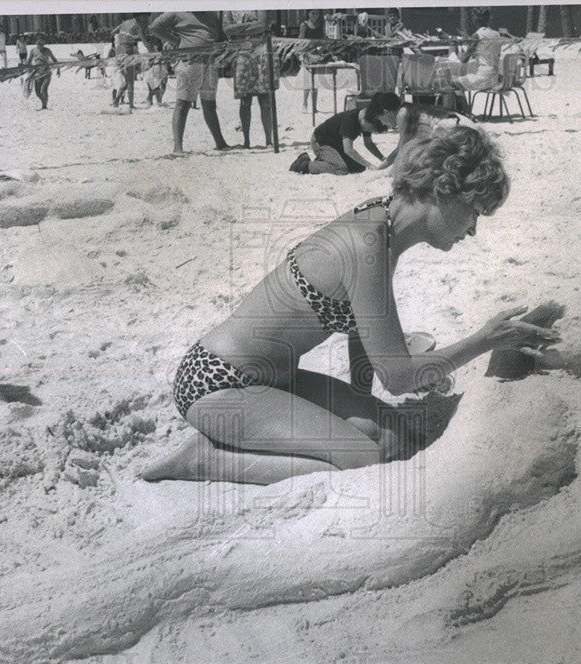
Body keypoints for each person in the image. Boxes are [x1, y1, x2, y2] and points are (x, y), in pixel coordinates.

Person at [141, 125, 559, 485]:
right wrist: (485, 341)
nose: (473, 230)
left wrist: (369, 411)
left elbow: (369, 362)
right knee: (364, 460)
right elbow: (396, 378)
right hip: (219, 383)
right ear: (443, 190)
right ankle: (207, 460)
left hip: (272, 380)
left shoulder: (381, 229)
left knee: (393, 437)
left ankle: (250, 441)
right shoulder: (367, 244)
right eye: (475, 212)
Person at [148, 10, 231, 154]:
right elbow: (155, 27)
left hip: (210, 62)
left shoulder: (212, 13)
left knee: (210, 104)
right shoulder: (177, 11)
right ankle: (178, 148)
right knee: (183, 103)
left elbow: (221, 35)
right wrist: (176, 41)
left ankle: (220, 142)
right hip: (189, 62)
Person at [295, 92, 401, 175]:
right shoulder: (350, 121)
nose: (369, 132)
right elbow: (348, 150)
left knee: (359, 168)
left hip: (336, 146)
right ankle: (304, 164)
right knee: (341, 169)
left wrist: (383, 159)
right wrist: (369, 165)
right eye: (370, 130)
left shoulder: (366, 120)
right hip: (321, 142)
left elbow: (369, 144)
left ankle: (326, 160)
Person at [223, 10, 279, 149]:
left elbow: (262, 24)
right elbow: (226, 30)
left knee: (265, 99)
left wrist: (239, 29)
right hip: (241, 52)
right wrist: (250, 26)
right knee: (244, 100)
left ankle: (269, 140)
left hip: (261, 51)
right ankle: (246, 141)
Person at [376, 102, 460, 169]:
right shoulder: (409, 110)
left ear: (386, 113)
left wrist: (392, 171)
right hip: (456, 127)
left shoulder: (402, 114)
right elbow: (400, 148)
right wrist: (381, 167)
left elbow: (402, 149)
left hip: (451, 131)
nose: (383, 123)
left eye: (380, 119)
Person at [112, 16, 143, 109]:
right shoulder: (137, 24)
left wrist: (122, 37)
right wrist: (132, 37)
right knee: (130, 81)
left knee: (127, 80)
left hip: (119, 51)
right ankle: (131, 105)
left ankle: (116, 100)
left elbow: (113, 32)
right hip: (128, 51)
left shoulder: (124, 23)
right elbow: (143, 38)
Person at [299, 9, 325, 114]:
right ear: (308, 13)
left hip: (317, 55)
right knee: (307, 81)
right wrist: (303, 55)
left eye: (317, 13)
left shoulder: (320, 25)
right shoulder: (304, 25)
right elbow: (300, 40)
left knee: (316, 82)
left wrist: (320, 50)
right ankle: (304, 104)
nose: (315, 16)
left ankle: (314, 106)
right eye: (312, 13)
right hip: (307, 55)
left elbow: (323, 40)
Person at [25, 36, 58, 110]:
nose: (40, 45)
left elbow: (54, 60)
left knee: (43, 89)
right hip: (37, 74)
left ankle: (44, 106)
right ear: (36, 43)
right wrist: (26, 68)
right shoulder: (33, 51)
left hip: (46, 73)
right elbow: (29, 62)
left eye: (42, 43)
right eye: (39, 43)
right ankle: (43, 102)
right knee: (37, 92)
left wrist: (58, 69)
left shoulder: (47, 50)